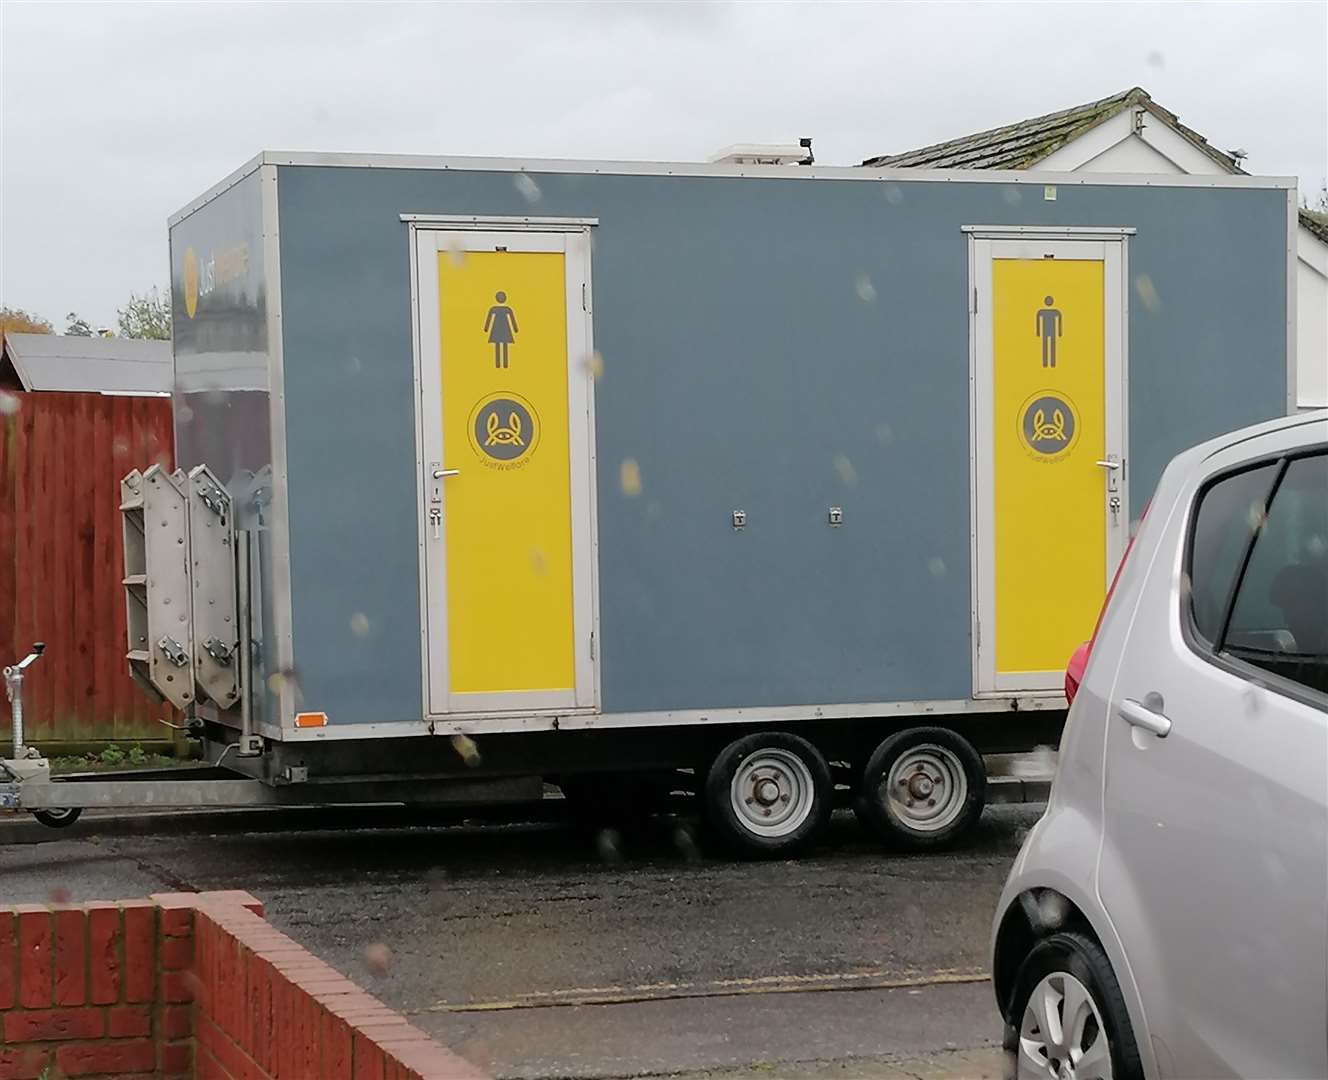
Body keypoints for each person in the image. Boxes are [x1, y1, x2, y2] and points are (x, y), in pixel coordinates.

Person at [484, 291, 518, 368]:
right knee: (498, 346)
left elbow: (512, 319)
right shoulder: (495, 309)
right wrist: (486, 328)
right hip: (499, 328)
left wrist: (515, 328)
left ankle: (504, 364)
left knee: (503, 346)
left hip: (502, 329)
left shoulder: (506, 309)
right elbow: (489, 318)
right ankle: (498, 364)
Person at [1035, 296, 1062, 368]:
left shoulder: (1055, 312)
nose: (1049, 302)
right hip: (1045, 332)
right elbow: (1038, 321)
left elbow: (1059, 320)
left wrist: (1060, 332)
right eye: (1047, 301)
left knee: (1052, 347)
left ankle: (1053, 363)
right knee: (1045, 347)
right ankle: (1045, 363)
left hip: (1052, 332)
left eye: (1050, 301)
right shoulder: (1041, 312)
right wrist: (1038, 332)